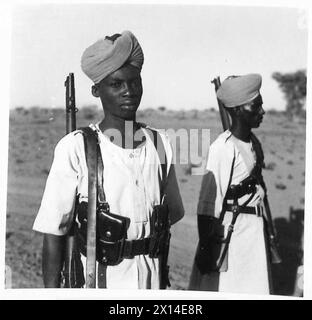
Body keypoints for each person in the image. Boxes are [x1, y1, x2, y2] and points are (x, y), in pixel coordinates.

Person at [33, 30, 184, 289]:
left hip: (152, 280)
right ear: (96, 90)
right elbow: (53, 233)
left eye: (135, 82)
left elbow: (174, 213)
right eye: (116, 84)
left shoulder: (160, 144)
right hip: (101, 282)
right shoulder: (77, 147)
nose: (129, 91)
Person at [188, 74, 271, 295]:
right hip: (232, 235)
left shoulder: (253, 143)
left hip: (252, 233)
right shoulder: (223, 148)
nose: (262, 111)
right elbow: (207, 206)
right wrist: (206, 251)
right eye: (256, 106)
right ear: (236, 110)